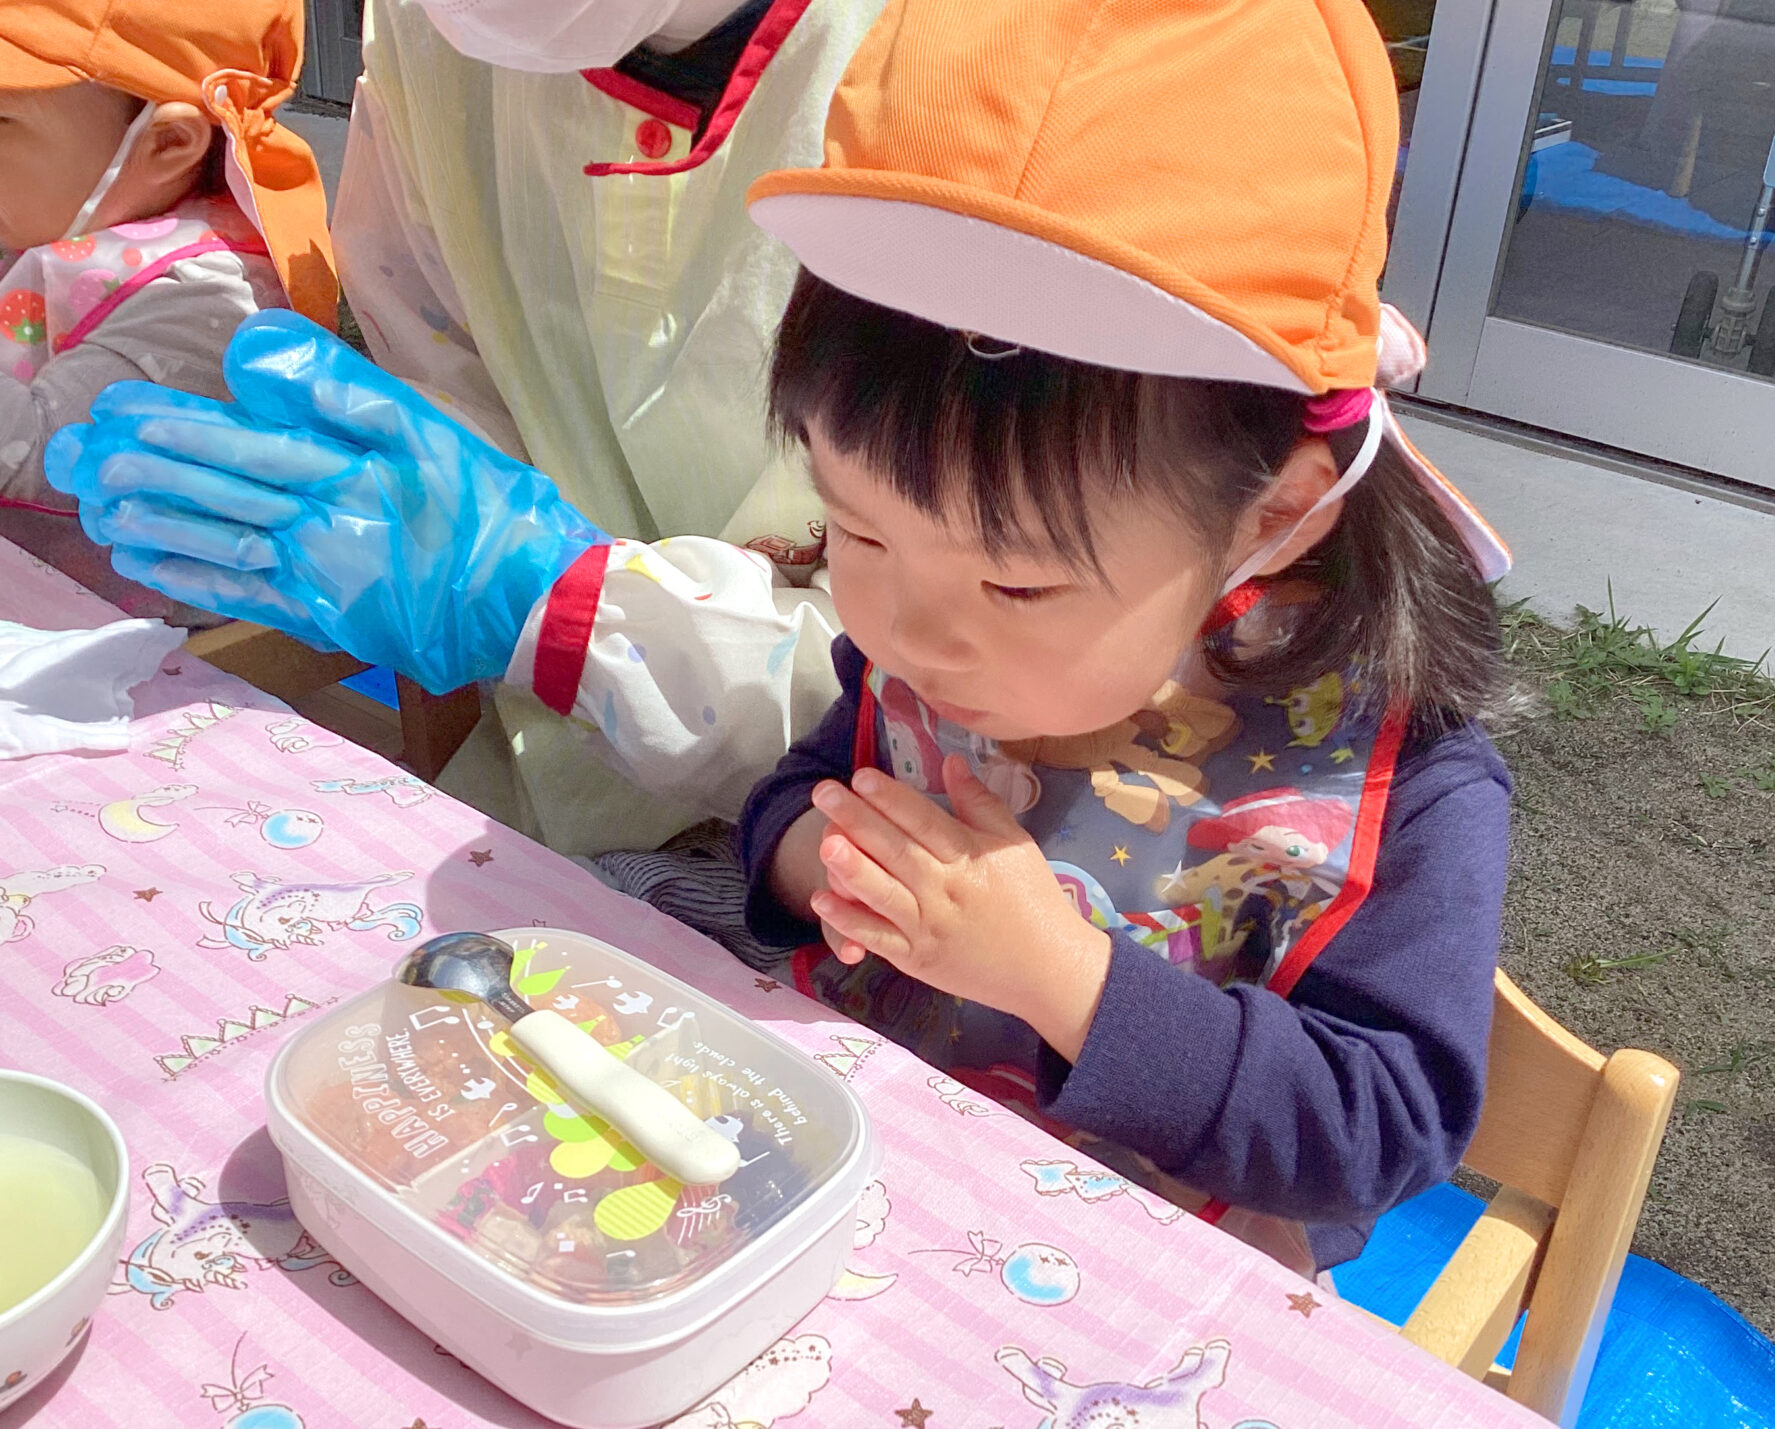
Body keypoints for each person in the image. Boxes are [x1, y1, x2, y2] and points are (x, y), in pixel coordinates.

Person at [49, 0, 1515, 1277]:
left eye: (1014, 587)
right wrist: (808, 857)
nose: (906, 629)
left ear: (1278, 513)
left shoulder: (1392, 787)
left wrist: (1065, 979)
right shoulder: (928, 640)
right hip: (829, 1168)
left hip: (1118, 1251)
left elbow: (1376, 1131)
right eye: (858, 532)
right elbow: (802, 782)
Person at [327, 0, 886, 850]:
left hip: (884, 842)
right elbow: (433, 357)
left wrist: (568, 607)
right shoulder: (423, 34)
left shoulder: (978, 56)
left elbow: (976, 658)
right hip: (548, 792)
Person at [0, 0, 334, 619]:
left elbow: (40, 463)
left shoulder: (205, 296)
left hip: (141, 651)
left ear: (167, 144)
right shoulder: (59, 218)